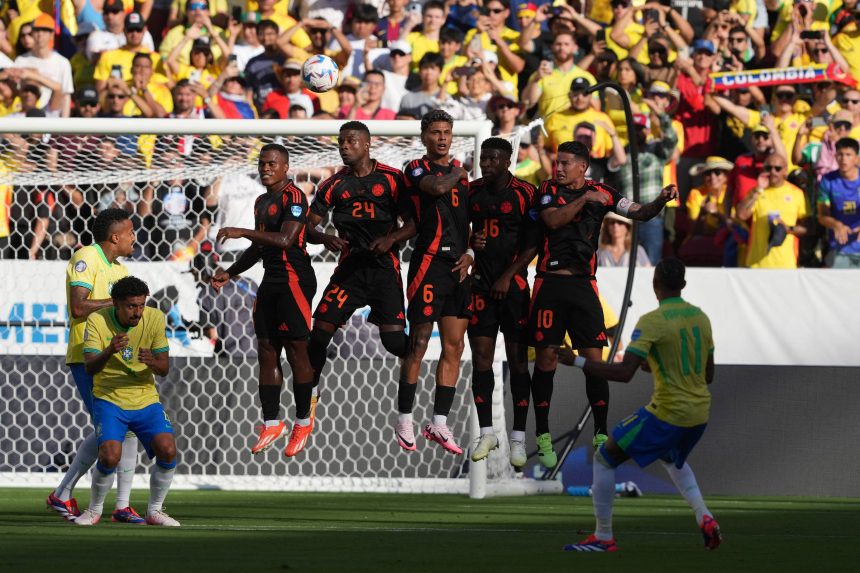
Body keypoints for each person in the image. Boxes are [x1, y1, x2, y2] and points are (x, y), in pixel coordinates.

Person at [530, 140, 679, 468]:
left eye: (565, 163)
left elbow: (639, 213)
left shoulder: (604, 193)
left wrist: (660, 199)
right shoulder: (548, 190)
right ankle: (542, 434)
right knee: (546, 359)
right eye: (557, 162)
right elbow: (552, 221)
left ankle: (600, 432)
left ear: (582, 167)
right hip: (549, 283)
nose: (558, 168)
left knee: (593, 359)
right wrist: (584, 199)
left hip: (584, 286)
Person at [563, 257, 721, 552]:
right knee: (671, 458)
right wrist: (659, 364)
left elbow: (624, 374)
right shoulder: (701, 318)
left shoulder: (652, 322)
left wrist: (576, 361)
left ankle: (603, 537)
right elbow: (708, 374)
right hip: (700, 414)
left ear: (654, 284)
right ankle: (705, 517)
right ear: (683, 285)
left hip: (669, 412)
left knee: (605, 457)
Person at [304, 121, 416, 446]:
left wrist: (391, 239)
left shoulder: (392, 179)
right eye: (341, 141)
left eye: (351, 141)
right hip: (349, 272)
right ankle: (311, 397)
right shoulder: (333, 185)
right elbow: (308, 228)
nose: (344, 146)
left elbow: (413, 224)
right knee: (318, 334)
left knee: (395, 344)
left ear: (367, 144)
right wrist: (324, 238)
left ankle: (407, 414)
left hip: (384, 271)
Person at [209, 144, 317, 458]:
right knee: (266, 349)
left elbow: (285, 239)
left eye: (272, 164)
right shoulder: (261, 201)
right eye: (262, 164)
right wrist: (230, 272)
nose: (266, 169)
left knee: (296, 351)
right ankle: (271, 422)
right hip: (271, 280)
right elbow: (259, 248)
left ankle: (303, 421)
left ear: (285, 167)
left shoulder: (295, 197)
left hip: (295, 279)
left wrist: (242, 231)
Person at [46, 209, 143, 523]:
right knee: (114, 429)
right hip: (88, 356)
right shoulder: (86, 257)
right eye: (130, 233)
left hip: (116, 356)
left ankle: (120, 505)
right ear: (115, 236)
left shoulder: (120, 269)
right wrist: (118, 303)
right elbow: (78, 307)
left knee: (125, 428)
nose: (134, 238)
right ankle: (65, 493)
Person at [396, 109, 475, 455]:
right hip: (428, 263)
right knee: (419, 342)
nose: (442, 138)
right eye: (436, 132)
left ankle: (439, 423)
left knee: (454, 346)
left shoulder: (464, 178)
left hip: (458, 267)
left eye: (446, 132)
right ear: (424, 136)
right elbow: (437, 186)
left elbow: (470, 222)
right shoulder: (416, 168)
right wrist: (459, 171)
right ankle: (404, 419)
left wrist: (470, 252)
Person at [73, 276, 179, 527]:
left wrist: (152, 362)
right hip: (109, 398)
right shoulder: (98, 321)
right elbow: (90, 367)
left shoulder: (154, 318)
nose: (138, 312)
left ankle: (154, 511)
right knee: (110, 456)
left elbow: (164, 368)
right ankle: (94, 510)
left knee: (168, 450)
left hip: (145, 398)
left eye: (141, 305)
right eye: (132, 306)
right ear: (116, 304)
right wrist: (109, 350)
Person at [465, 137, 537, 466]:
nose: (487, 164)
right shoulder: (472, 191)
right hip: (481, 285)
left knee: (518, 361)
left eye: (494, 159)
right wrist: (471, 241)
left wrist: (508, 276)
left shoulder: (525, 193)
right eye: (484, 158)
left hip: (514, 288)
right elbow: (459, 230)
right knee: (481, 359)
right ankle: (487, 432)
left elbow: (533, 243)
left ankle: (518, 438)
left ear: (508, 162)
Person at [736, 154, 809, 269]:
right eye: (768, 168)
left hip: (786, 264)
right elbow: (741, 215)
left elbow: (807, 228)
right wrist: (758, 190)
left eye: (777, 168)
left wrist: (787, 229)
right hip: (757, 264)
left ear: (785, 171)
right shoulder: (756, 192)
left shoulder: (796, 193)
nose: (773, 172)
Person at [817, 137, 860, 268]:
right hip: (839, 248)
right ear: (835, 156)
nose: (843, 159)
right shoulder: (827, 181)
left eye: (848, 155)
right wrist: (836, 225)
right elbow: (822, 216)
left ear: (856, 158)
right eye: (840, 154)